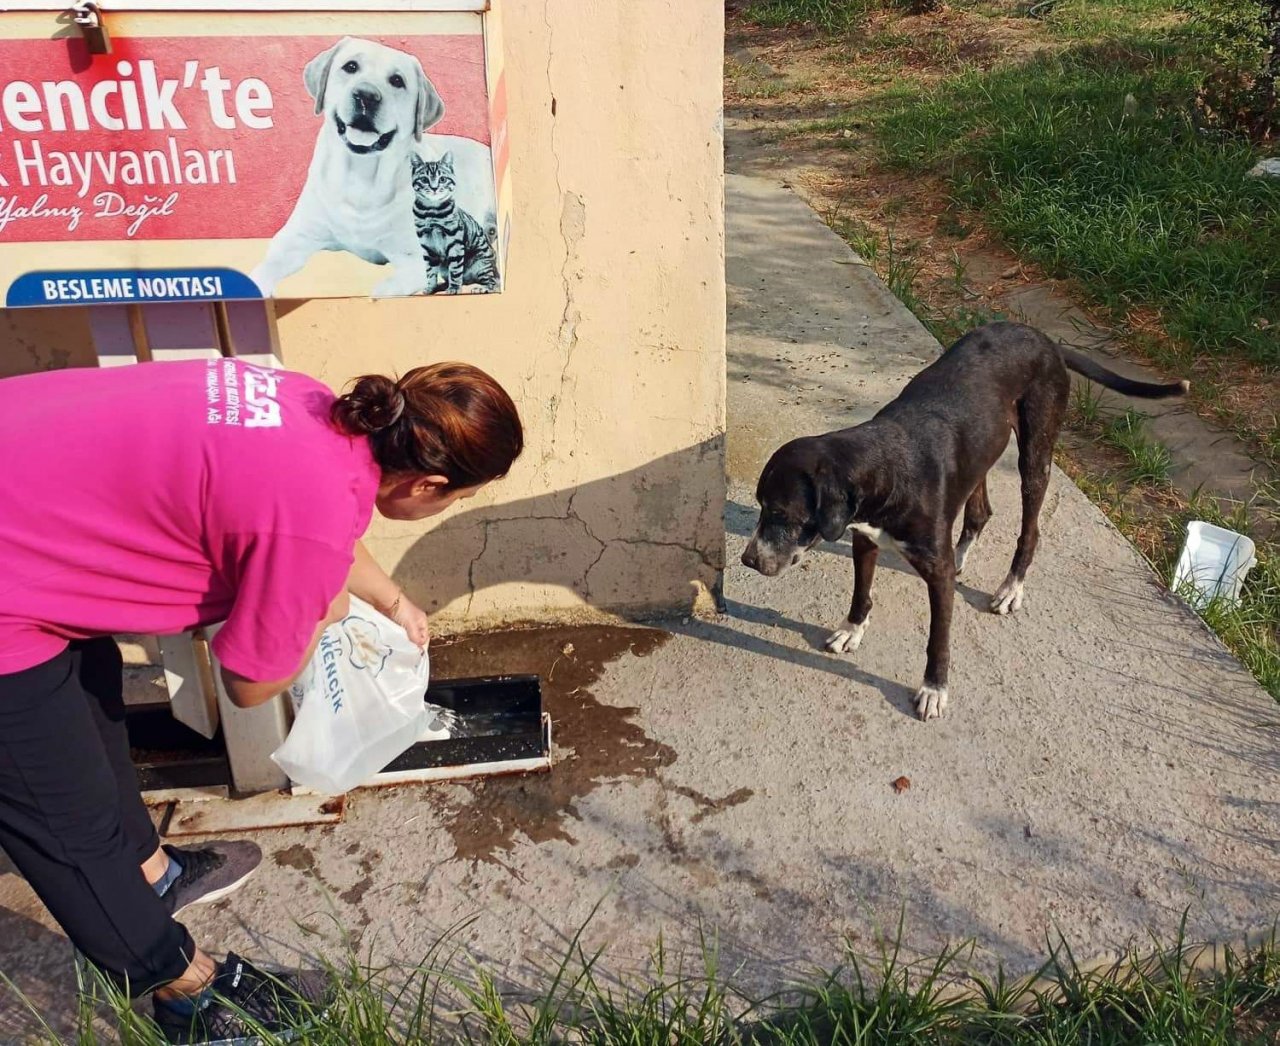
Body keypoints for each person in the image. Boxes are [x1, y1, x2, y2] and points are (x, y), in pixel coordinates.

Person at [0, 356, 523, 1042]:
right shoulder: (309, 517)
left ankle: (150, 872)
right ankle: (190, 996)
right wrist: (323, 617)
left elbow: (316, 521)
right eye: (455, 498)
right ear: (428, 483)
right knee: (63, 822)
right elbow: (249, 682)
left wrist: (389, 598)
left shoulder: (311, 403)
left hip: (27, 509)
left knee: (90, 688)